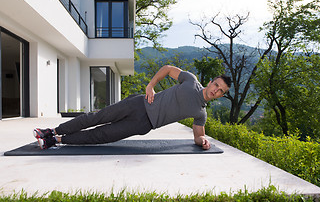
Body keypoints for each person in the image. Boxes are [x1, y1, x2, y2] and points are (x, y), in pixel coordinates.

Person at [33, 65, 231, 150]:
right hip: (139, 103)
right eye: (216, 85)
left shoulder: (200, 114)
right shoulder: (190, 80)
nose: (216, 90)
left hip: (143, 124)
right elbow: (168, 69)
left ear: (221, 95)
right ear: (211, 82)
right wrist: (150, 86)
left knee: (101, 135)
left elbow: (198, 136)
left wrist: (203, 141)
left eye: (221, 91)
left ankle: (56, 140)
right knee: (96, 117)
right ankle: (52, 130)